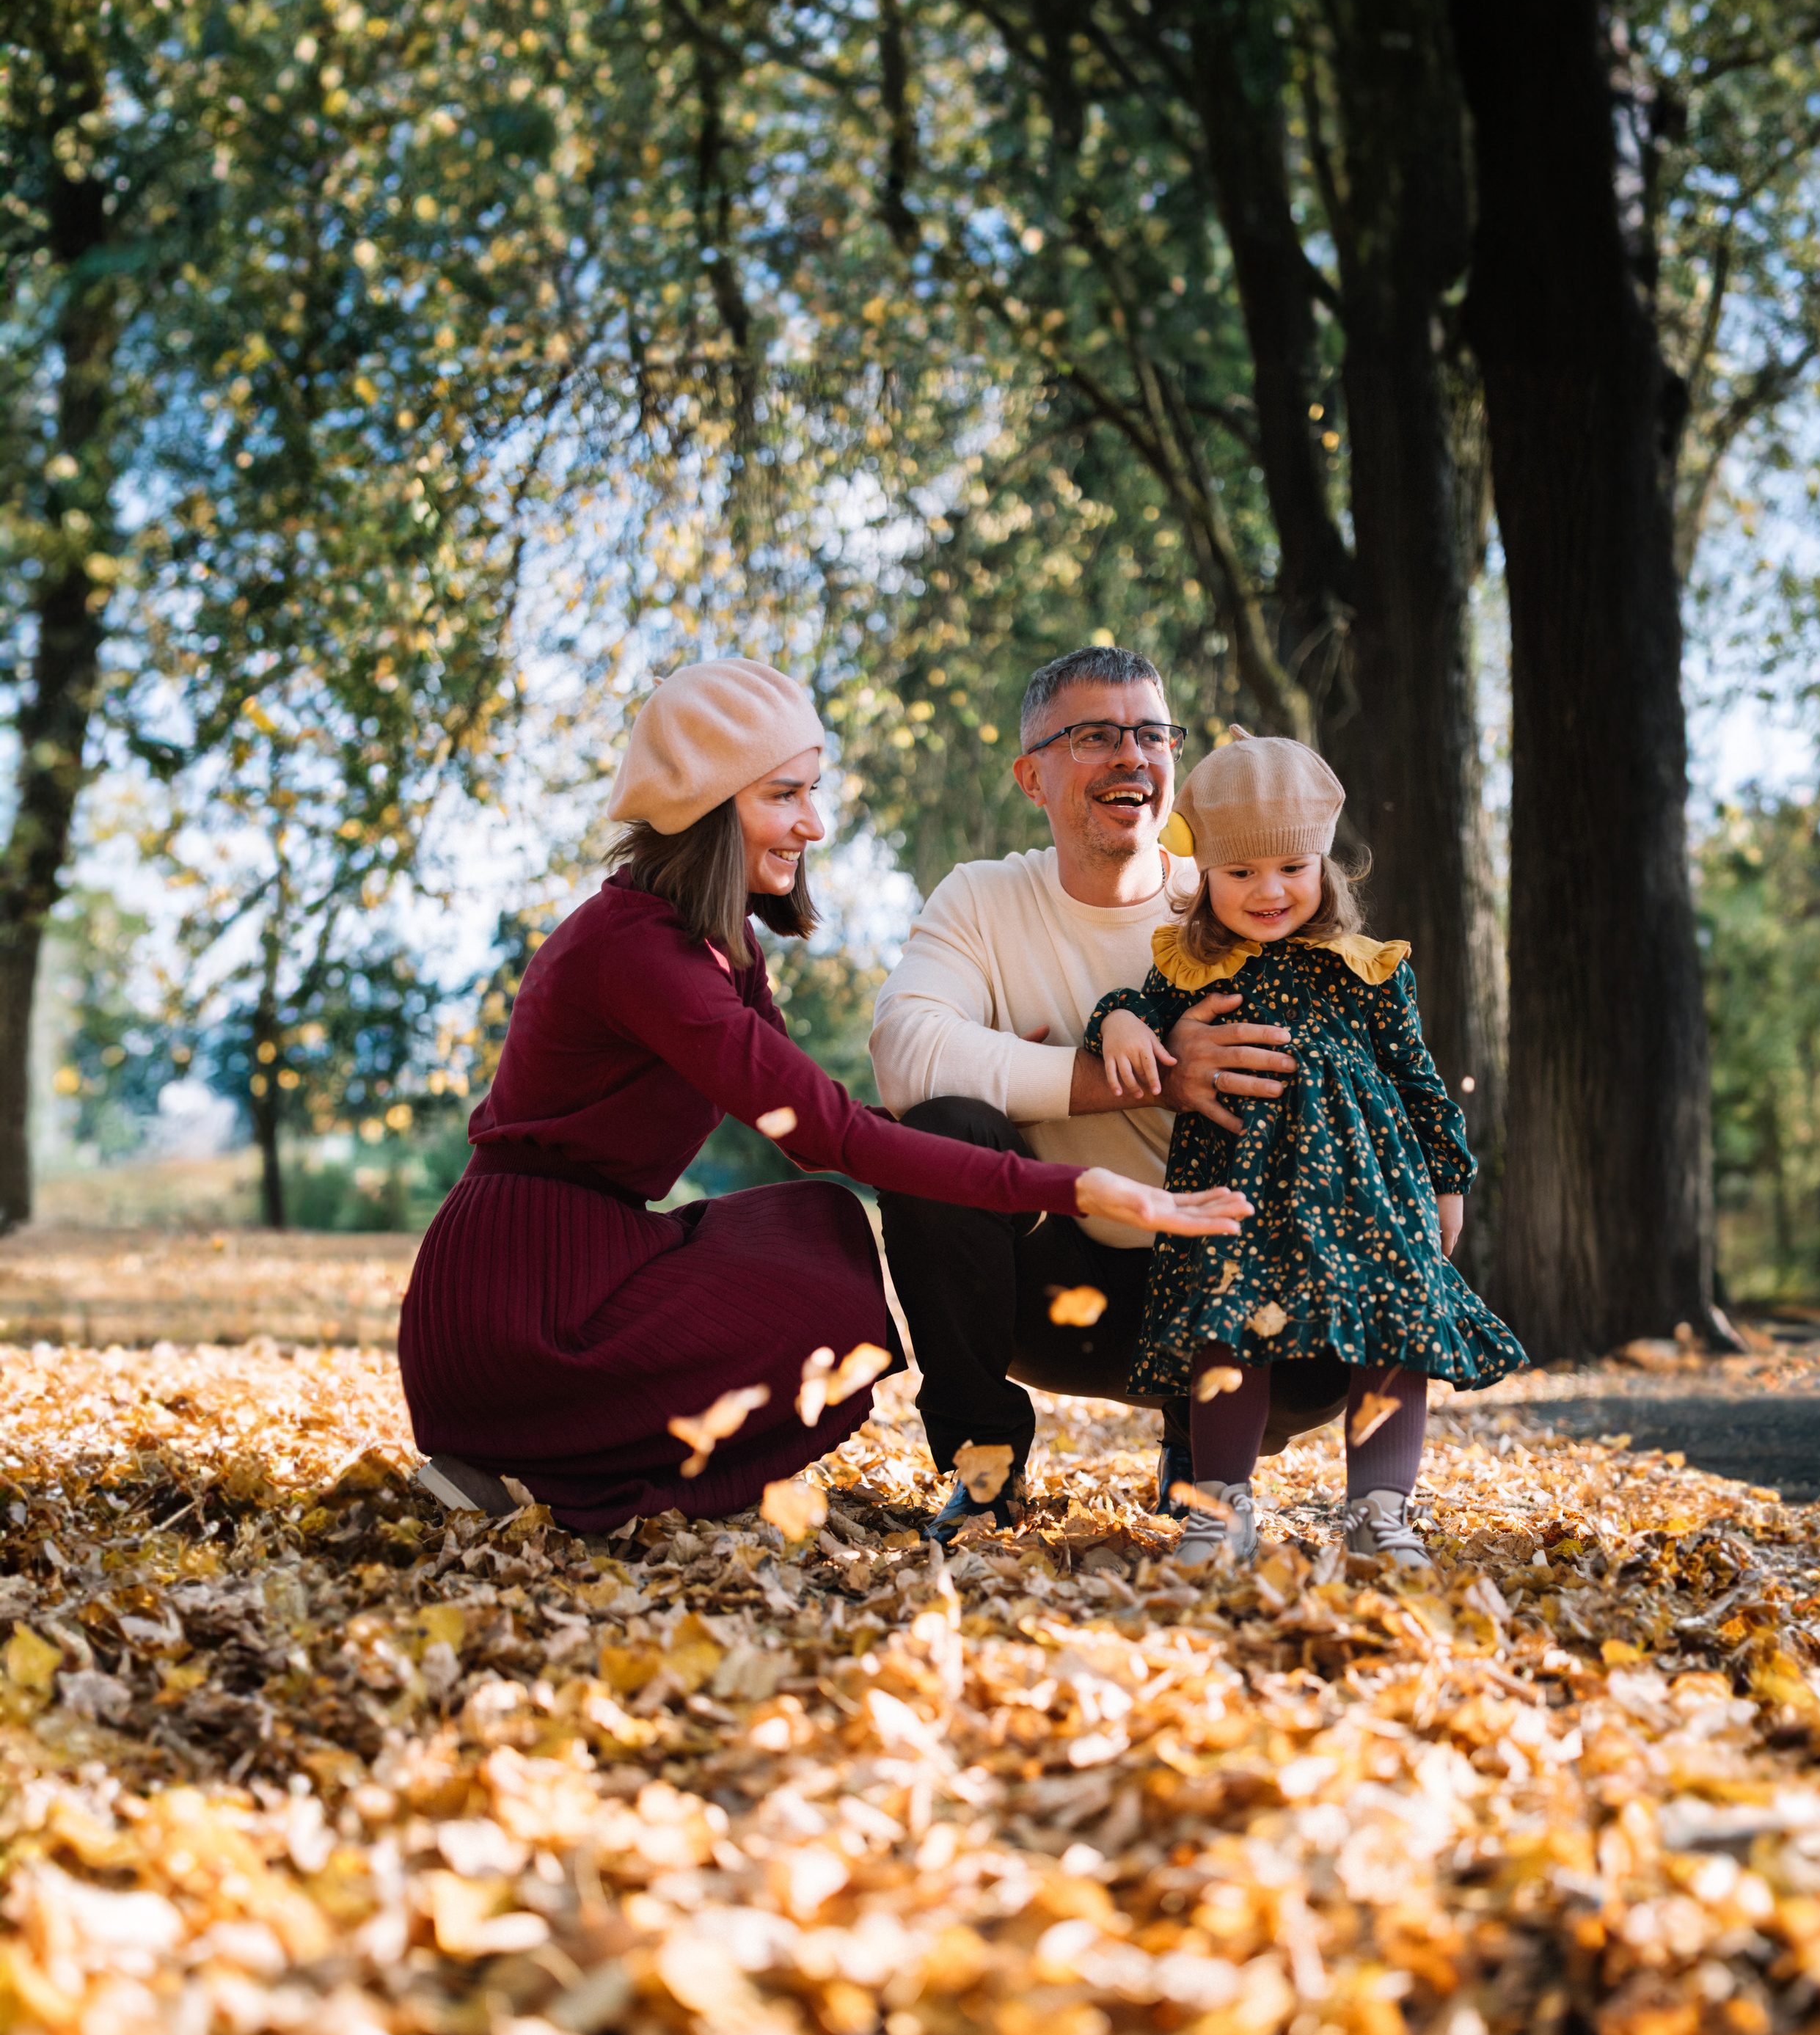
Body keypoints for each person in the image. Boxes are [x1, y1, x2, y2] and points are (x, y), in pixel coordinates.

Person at [400, 658, 1247, 1532]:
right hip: (518, 1291)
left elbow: (809, 1134)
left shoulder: (717, 944)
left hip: (599, 1249)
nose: (814, 822)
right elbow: (835, 1136)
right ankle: (543, 1470)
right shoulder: (641, 953)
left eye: (812, 791)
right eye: (784, 796)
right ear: (707, 804)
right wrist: (1070, 1184)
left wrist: (990, 1108)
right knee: (830, 1289)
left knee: (818, 1228)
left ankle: (558, 1469)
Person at [870, 643, 1352, 1538]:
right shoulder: (981, 900)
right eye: (1094, 736)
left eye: (1151, 733)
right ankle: (985, 1470)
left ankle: (1204, 1453)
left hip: (1226, 1293)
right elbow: (904, 1053)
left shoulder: (1243, 897)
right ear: (1031, 775)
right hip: (1056, 1292)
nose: (1132, 756)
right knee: (939, 1132)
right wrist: (1122, 1080)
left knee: (1330, 1340)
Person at [1086, 727, 1524, 1568]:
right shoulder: (1187, 969)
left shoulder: (1365, 968)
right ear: (1203, 877)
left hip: (1371, 1187)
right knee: (1229, 1328)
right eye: (1240, 873)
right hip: (1239, 1189)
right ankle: (1220, 1509)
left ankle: (1379, 1512)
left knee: (1394, 1330)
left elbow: (1416, 1075)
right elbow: (1130, 1006)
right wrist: (1117, 1021)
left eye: (1291, 867)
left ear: (1324, 866)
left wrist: (1447, 1178)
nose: (1268, 890)